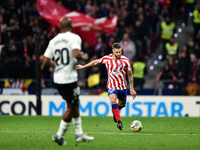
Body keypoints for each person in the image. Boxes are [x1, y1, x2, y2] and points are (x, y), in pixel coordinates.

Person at [42, 17, 94, 146]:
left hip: (58, 78)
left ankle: (79, 134)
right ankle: (59, 136)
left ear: (60, 27)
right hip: (69, 79)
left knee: (75, 103)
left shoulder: (53, 40)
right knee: (71, 107)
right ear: (71, 26)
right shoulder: (74, 38)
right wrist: (84, 56)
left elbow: (45, 60)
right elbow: (76, 54)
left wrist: (58, 66)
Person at [76, 42, 137, 130]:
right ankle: (119, 121)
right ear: (113, 51)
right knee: (113, 99)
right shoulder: (107, 58)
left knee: (122, 105)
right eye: (117, 52)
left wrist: (131, 89)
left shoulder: (126, 60)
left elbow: (130, 75)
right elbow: (95, 62)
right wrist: (83, 66)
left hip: (122, 86)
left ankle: (115, 111)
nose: (119, 54)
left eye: (120, 52)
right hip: (111, 85)